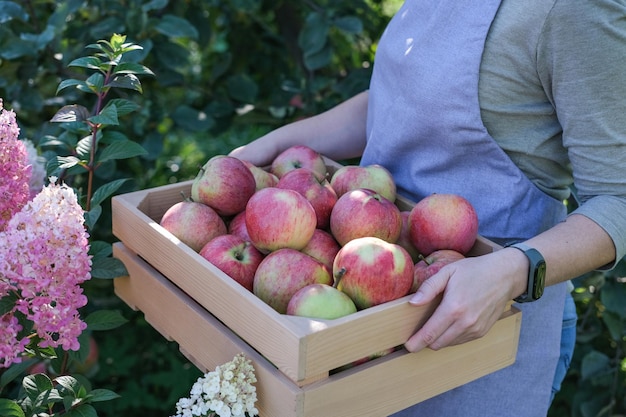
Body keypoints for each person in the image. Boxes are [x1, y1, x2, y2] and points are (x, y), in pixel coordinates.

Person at [230, 0, 626, 415]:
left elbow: (618, 200)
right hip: (371, 307)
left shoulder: (575, 9)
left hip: (476, 332)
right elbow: (399, 100)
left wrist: (513, 271)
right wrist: (273, 147)